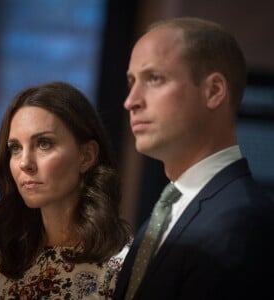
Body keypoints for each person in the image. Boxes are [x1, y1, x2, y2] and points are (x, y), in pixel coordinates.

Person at [113, 17, 274, 300]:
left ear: (213, 91)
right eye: (132, 81)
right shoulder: (170, 205)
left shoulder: (244, 221)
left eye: (154, 79)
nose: (131, 100)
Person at [0, 81, 131, 299]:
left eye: (44, 144)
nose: (24, 163)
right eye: (15, 148)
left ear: (86, 156)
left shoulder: (122, 263)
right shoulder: (11, 258)